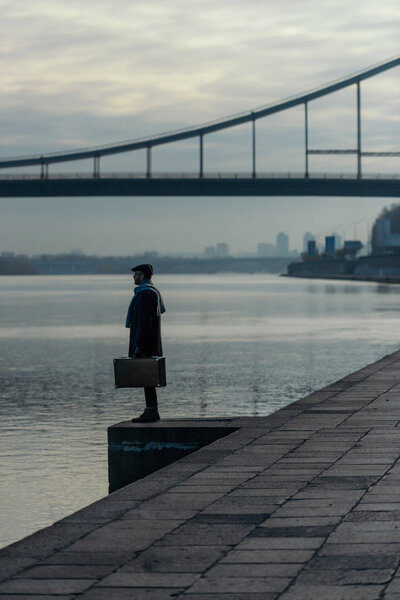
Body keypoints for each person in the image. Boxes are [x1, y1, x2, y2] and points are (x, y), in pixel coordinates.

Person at [125, 263, 166, 422]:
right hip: (149, 341)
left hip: (145, 343)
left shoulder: (144, 295)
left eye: (136, 274)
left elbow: (144, 322)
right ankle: (151, 410)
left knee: (147, 377)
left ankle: (151, 411)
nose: (133, 277)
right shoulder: (151, 292)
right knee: (147, 377)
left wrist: (139, 346)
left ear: (142, 276)